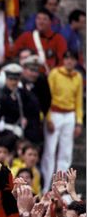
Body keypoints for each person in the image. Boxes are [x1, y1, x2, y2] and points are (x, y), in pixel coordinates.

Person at [41, 51, 84, 192]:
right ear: (63, 60)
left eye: (72, 59)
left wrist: (78, 121)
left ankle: (61, 188)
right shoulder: (55, 74)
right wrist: (48, 118)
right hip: (54, 112)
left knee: (65, 153)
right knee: (50, 151)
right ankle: (46, 186)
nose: (69, 61)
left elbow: (78, 101)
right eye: (67, 58)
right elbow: (47, 96)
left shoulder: (77, 77)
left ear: (76, 61)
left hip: (69, 114)